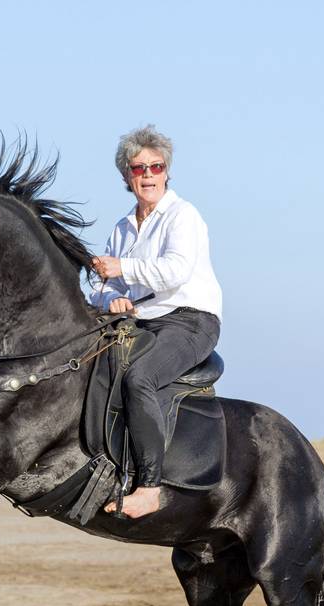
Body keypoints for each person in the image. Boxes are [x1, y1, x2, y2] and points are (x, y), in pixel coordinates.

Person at [89, 125, 222, 520]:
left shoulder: (184, 215)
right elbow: (98, 286)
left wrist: (122, 267)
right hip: (141, 323)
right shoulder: (122, 227)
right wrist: (112, 298)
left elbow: (176, 272)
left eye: (156, 166)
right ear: (126, 177)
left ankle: (149, 488)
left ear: (167, 171)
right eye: (138, 168)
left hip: (190, 320)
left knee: (139, 377)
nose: (147, 175)